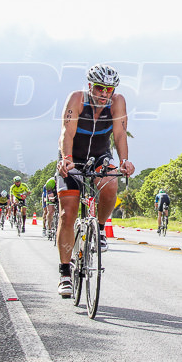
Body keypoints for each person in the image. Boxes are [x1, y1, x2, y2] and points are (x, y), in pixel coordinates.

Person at [55, 64, 135, 298]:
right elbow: (66, 132)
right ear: (90, 86)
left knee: (111, 184)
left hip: (100, 156)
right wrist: (67, 160)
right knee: (67, 213)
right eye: (99, 88)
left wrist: (125, 161)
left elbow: (120, 134)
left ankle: (99, 228)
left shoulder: (117, 101)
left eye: (108, 90)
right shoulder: (77, 99)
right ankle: (65, 272)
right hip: (72, 157)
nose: (104, 94)